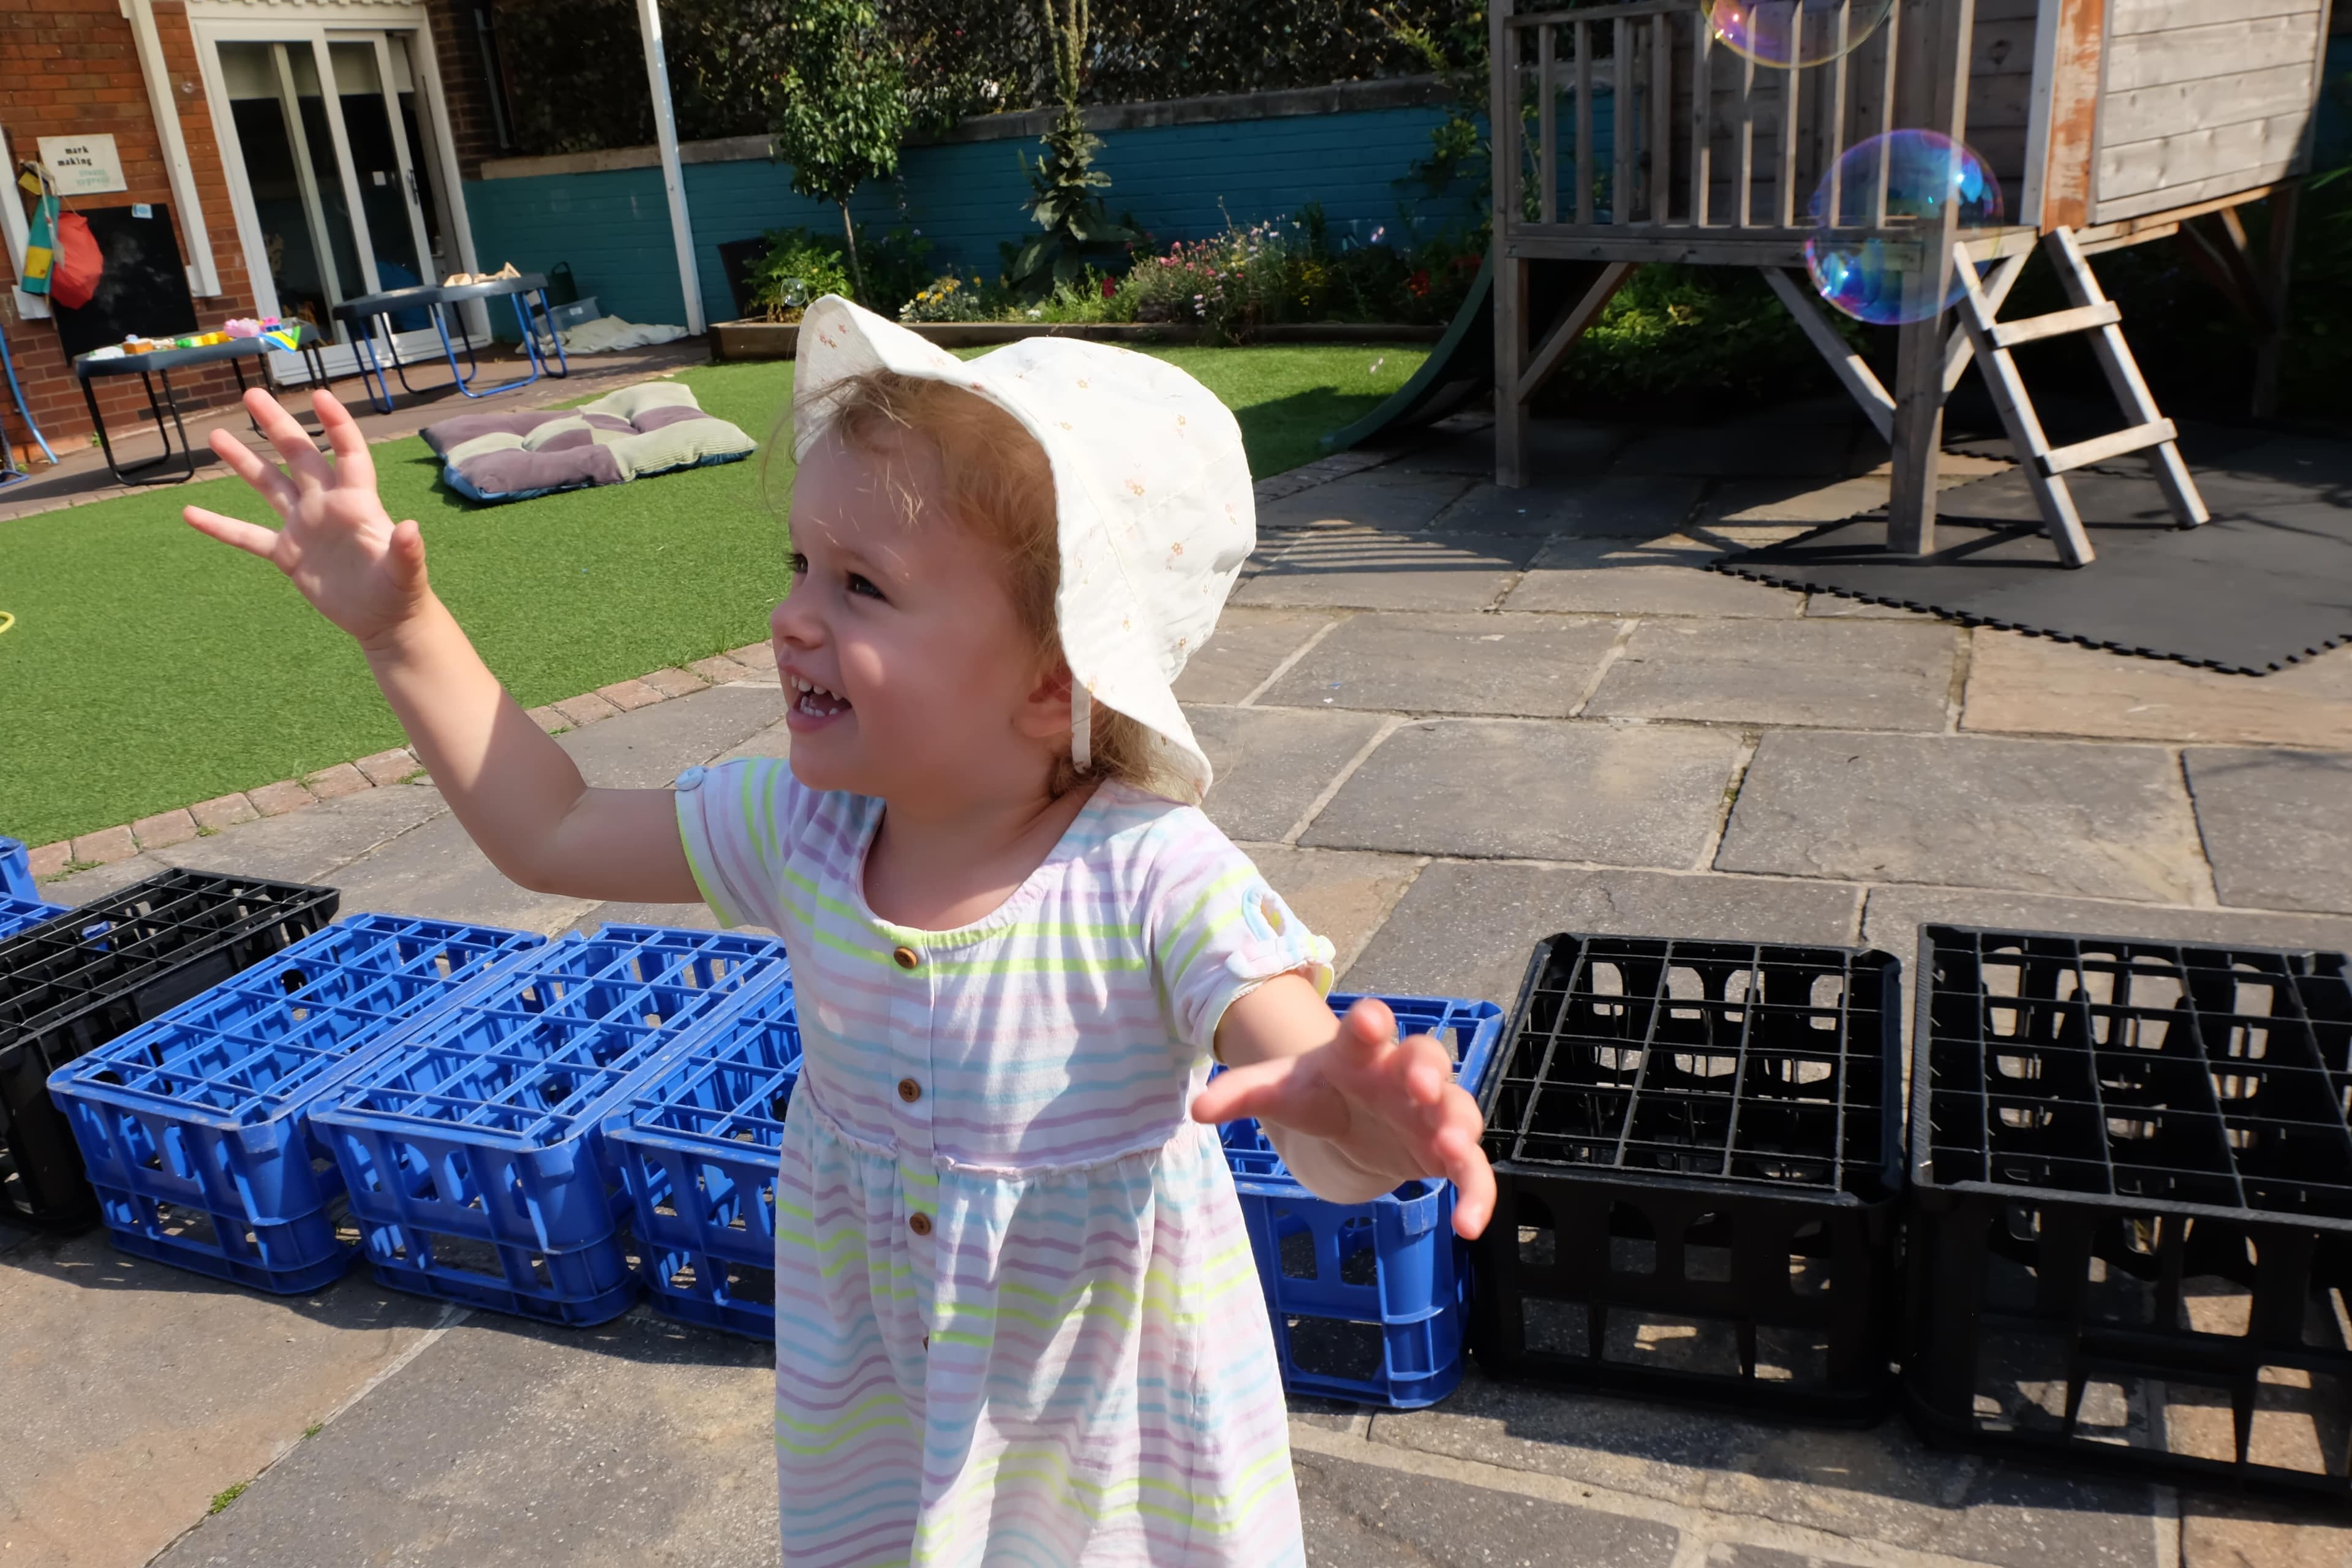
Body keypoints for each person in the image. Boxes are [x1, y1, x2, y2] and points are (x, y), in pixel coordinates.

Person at [185, 296, 1494, 1567]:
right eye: (800, 563)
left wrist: (1350, 1106)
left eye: (864, 584)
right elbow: (555, 828)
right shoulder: (802, 828)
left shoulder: (1152, 871)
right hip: (884, 1420)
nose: (795, 616)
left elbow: (1298, 1080)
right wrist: (403, 625)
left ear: (1057, 679)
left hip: (1108, 1448)